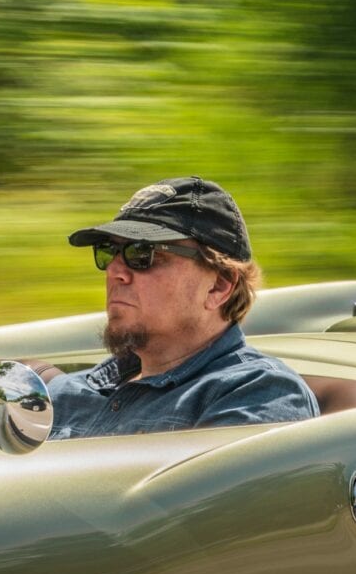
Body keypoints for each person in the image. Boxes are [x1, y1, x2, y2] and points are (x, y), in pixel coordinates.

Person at [48, 176, 319, 438]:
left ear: (218, 286)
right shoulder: (65, 391)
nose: (114, 271)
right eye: (108, 251)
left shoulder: (257, 393)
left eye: (142, 253)